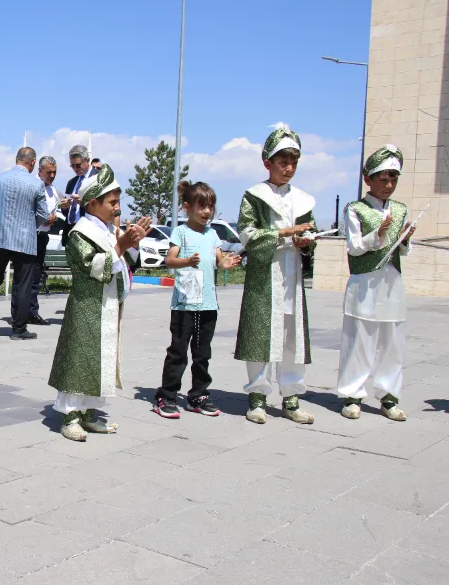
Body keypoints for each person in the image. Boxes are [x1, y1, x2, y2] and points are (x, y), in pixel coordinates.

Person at [48, 165, 150, 441]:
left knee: (100, 358)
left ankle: (90, 412)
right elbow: (90, 267)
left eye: (118, 202)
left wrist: (133, 243)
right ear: (93, 203)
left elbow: (127, 264)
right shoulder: (79, 232)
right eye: (112, 203)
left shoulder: (107, 229)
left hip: (108, 304)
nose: (117, 208)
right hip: (86, 305)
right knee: (79, 358)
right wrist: (121, 246)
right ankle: (70, 417)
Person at [235, 124, 318, 425]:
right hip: (264, 275)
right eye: (283, 161)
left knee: (291, 335)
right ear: (267, 161)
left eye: (294, 161)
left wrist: (306, 242)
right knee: (260, 333)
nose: (289, 167)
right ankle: (257, 397)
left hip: (292, 274)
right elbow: (246, 234)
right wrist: (283, 232)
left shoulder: (305, 200)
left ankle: (292, 397)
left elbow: (313, 235)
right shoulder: (254, 196)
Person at [337, 145, 415, 421]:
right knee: (359, 339)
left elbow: (404, 251)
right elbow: (354, 247)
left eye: (394, 178)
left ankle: (388, 396)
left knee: (391, 340)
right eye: (384, 178)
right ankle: (353, 395)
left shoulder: (401, 210)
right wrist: (378, 235)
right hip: (364, 283)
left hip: (391, 283)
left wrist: (404, 240)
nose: (389, 184)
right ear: (368, 179)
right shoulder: (356, 209)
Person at [154, 181, 242, 419]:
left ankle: (199, 395)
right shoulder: (180, 232)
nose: (207, 211)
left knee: (202, 353)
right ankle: (167, 396)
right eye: (202, 206)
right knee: (179, 351)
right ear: (187, 207)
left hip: (208, 303)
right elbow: (170, 260)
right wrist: (186, 262)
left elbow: (219, 261)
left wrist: (227, 264)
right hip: (185, 303)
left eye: (210, 206)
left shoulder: (212, 234)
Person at [0, 147, 49, 340]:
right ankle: (18, 329)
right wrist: (29, 222)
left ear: (16, 159)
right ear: (33, 163)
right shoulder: (36, 184)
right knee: (22, 283)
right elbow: (43, 213)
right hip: (24, 239)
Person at [28, 155, 62, 323]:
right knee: (24, 275)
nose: (52, 175)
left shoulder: (53, 191)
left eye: (55, 172)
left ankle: (32, 312)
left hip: (43, 236)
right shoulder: (31, 185)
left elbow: (57, 207)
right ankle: (19, 313)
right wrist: (41, 218)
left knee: (36, 275)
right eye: (49, 172)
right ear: (40, 170)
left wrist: (54, 217)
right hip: (29, 234)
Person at [60, 144, 94, 246]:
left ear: (87, 160)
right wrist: (64, 207)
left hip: (88, 233)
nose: (75, 169)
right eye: (72, 166)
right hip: (70, 232)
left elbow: (102, 209)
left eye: (78, 165)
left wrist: (83, 202)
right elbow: (66, 213)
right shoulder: (71, 182)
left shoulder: (97, 179)